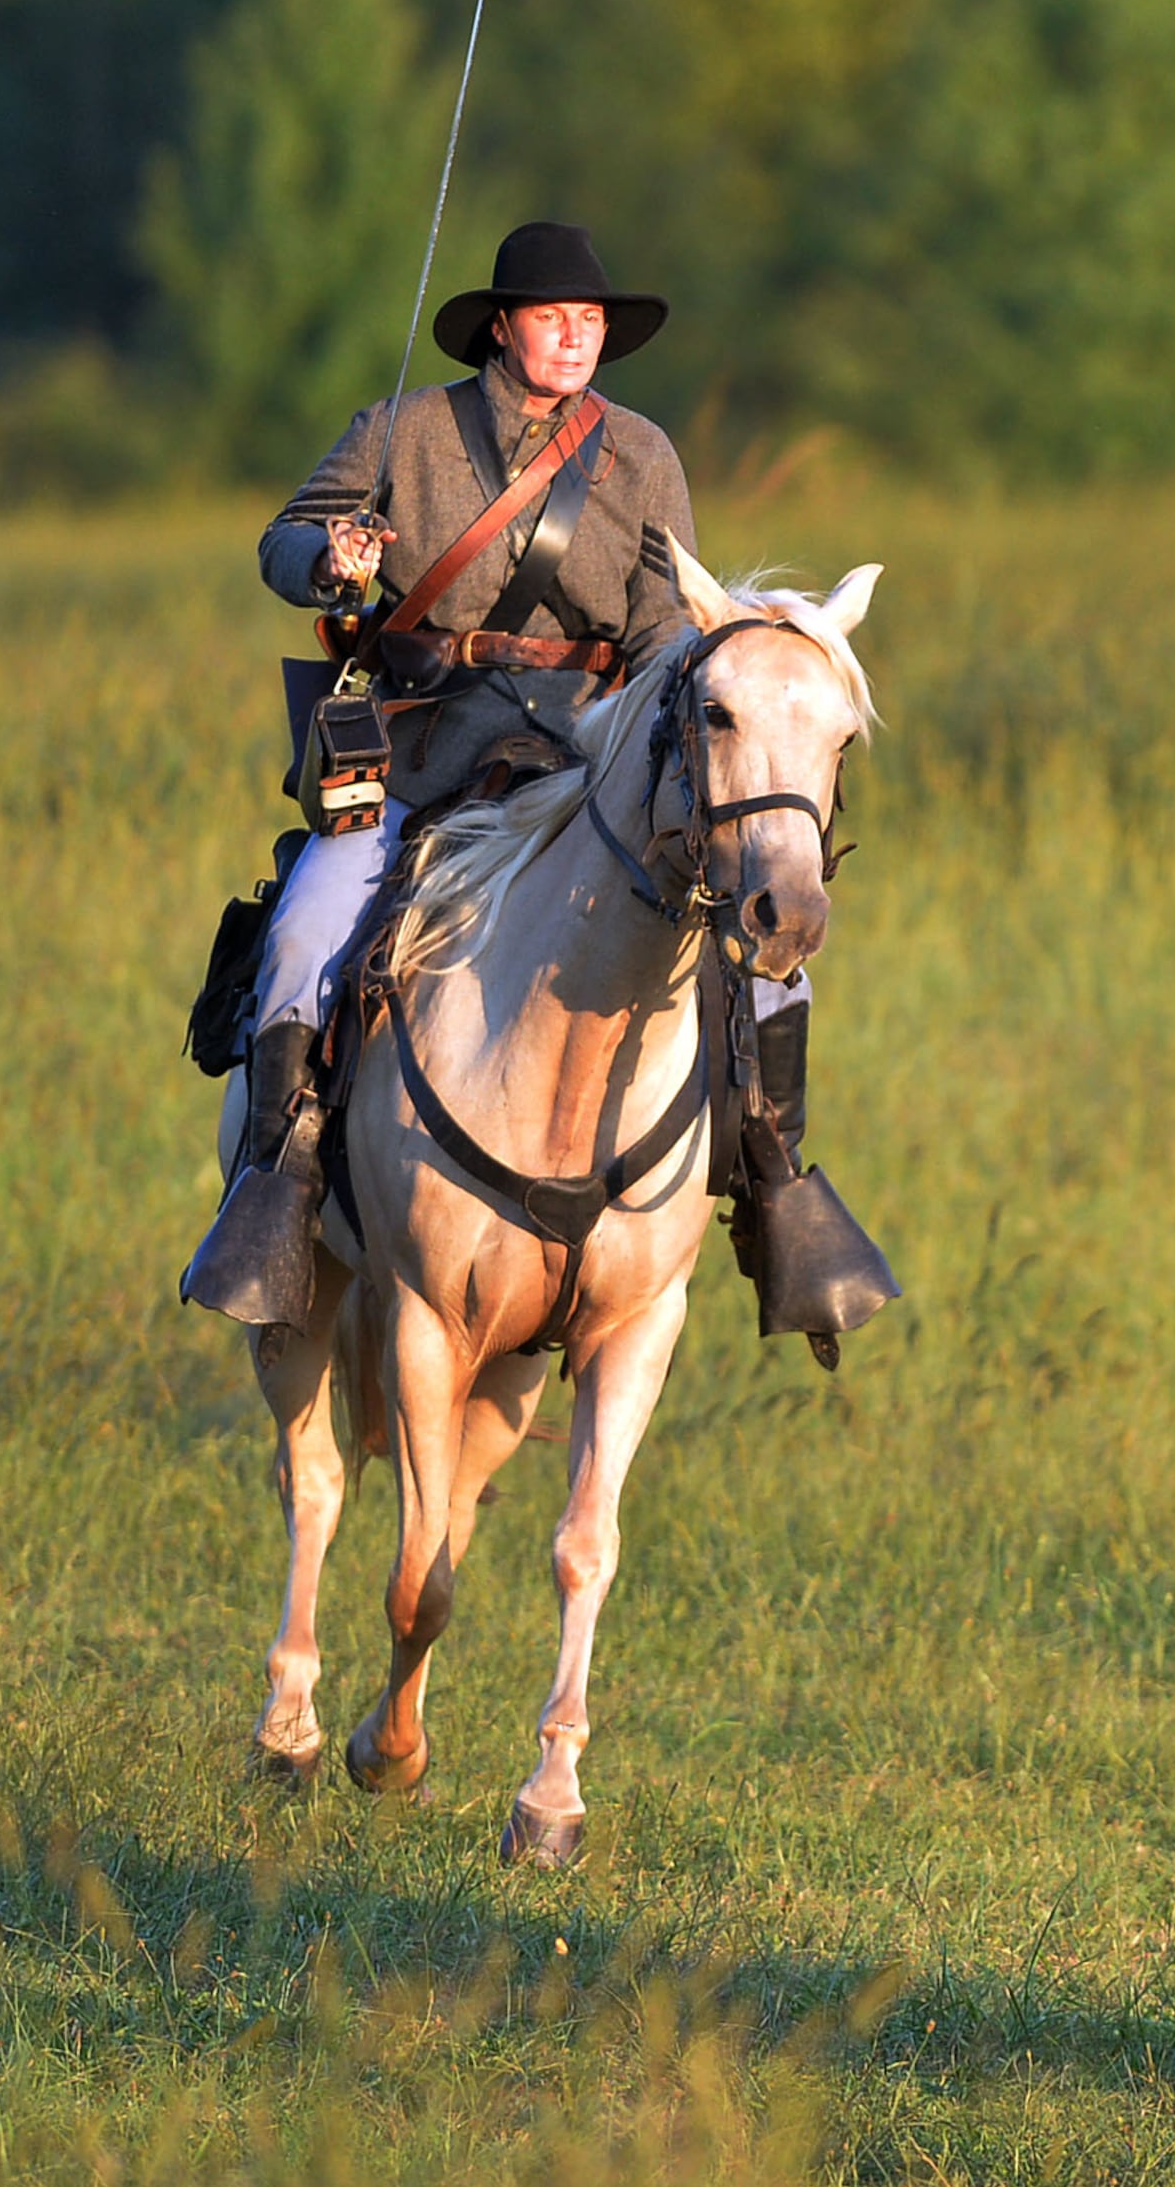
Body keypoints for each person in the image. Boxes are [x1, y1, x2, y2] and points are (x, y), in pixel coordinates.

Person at [179, 221, 889, 1354]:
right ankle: (283, 1184)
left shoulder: (644, 454)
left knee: (759, 969)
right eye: (553, 316)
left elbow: (666, 629)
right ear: (503, 327)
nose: (574, 336)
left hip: (583, 763)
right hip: (421, 752)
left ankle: (769, 1179)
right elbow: (286, 537)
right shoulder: (403, 431)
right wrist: (331, 558)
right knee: (313, 931)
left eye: (591, 320)